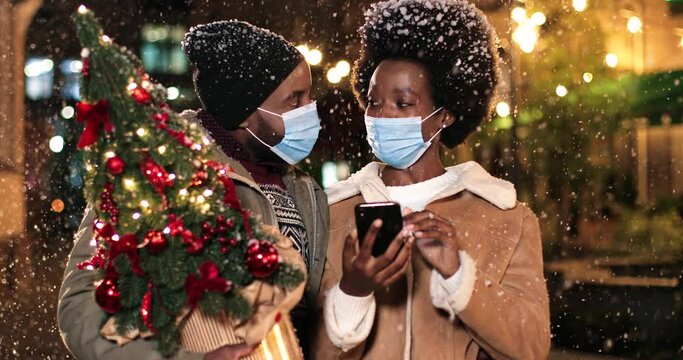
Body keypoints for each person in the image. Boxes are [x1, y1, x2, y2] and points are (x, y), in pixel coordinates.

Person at [58, 20, 329, 359]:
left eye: (309, 95)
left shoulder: (306, 190)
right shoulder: (159, 172)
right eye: (295, 99)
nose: (311, 110)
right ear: (244, 113)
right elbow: (81, 307)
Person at [311, 1, 551, 359]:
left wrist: (459, 277)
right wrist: (353, 290)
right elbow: (306, 351)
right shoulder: (331, 215)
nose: (381, 116)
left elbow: (530, 347)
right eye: (374, 102)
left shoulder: (507, 219)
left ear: (447, 114)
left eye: (403, 103)